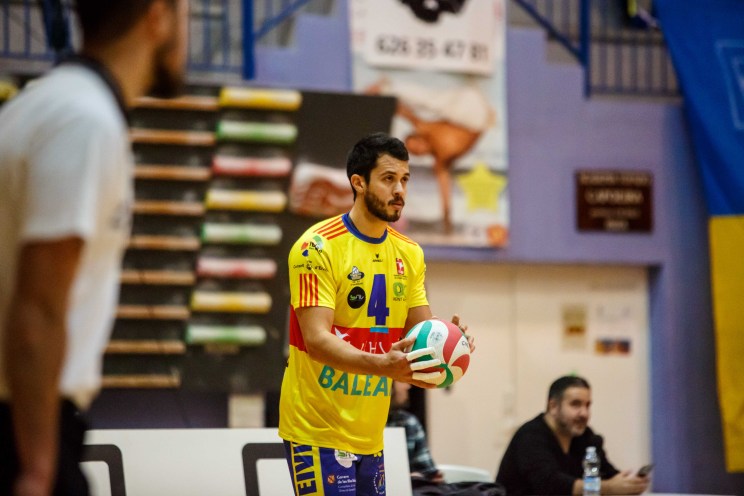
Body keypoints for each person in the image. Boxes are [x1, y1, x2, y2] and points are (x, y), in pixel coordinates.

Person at [0, 1, 188, 495]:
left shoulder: (41, 104)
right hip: (22, 430)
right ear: (157, 17)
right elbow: (38, 309)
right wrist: (37, 470)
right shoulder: (84, 121)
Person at [279, 132, 475, 495]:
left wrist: (449, 348)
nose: (400, 190)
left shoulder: (410, 254)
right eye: (388, 179)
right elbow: (317, 341)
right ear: (358, 182)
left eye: (405, 180)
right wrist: (383, 366)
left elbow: (420, 341)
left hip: (370, 435)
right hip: (317, 430)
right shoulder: (316, 247)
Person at [366, 79, 496, 234]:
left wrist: (381, 98)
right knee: (435, 102)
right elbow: (444, 187)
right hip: (478, 116)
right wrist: (447, 220)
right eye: (415, 151)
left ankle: (386, 87)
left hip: (468, 110)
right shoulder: (441, 160)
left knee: (432, 101)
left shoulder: (427, 129)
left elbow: (403, 111)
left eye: (416, 144)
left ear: (420, 137)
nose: (419, 150)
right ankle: (385, 89)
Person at [496, 376, 650, 495]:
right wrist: (609, 488)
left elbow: (607, 474)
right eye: (576, 404)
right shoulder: (530, 436)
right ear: (553, 406)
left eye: (587, 405)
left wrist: (628, 483)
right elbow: (551, 484)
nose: (584, 413)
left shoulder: (586, 437)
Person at [387, 381, 444, 483]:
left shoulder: (407, 422)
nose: (408, 386)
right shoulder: (359, 424)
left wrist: (419, 477)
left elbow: (431, 475)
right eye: (401, 380)